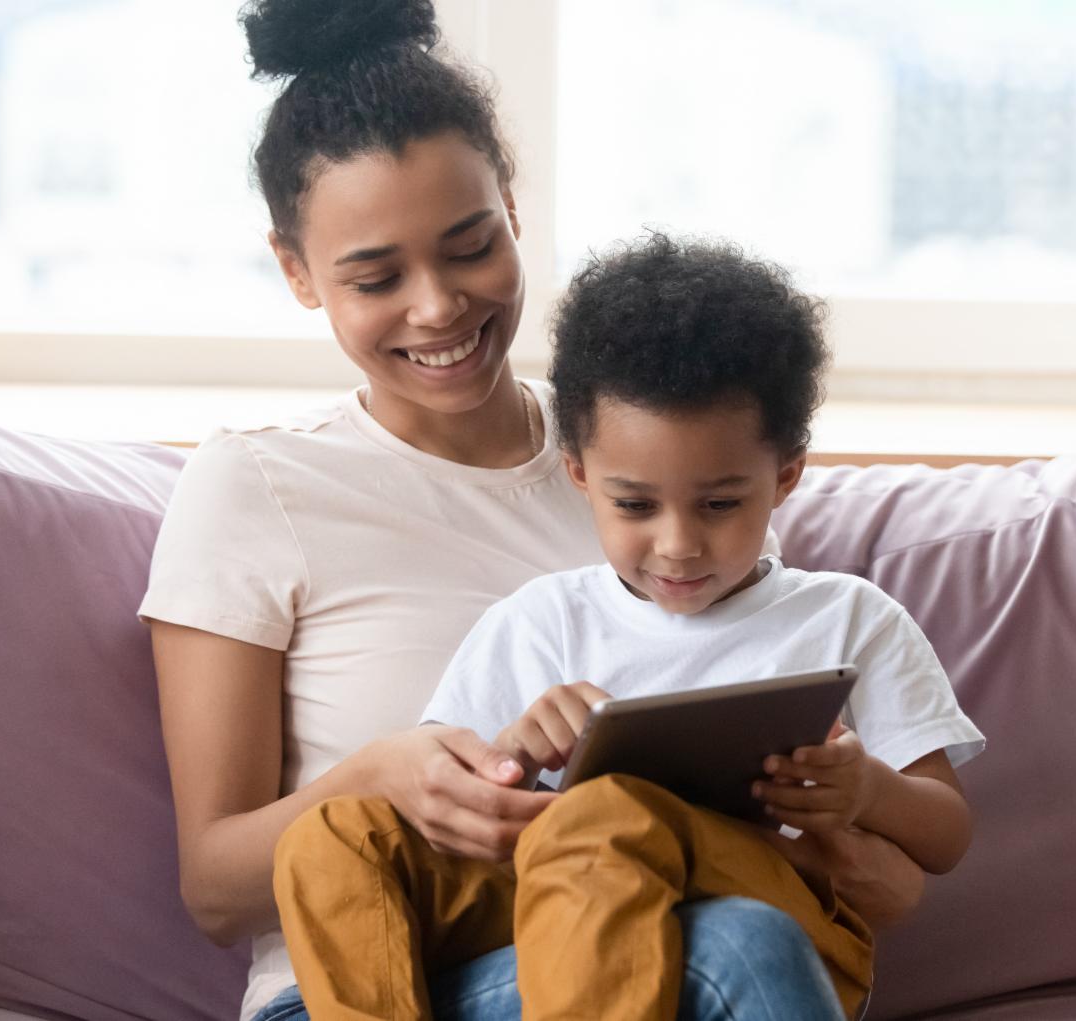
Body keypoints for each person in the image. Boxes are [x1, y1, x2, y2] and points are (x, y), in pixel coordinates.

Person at [140, 2, 930, 1019]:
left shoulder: (653, 453)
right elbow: (213, 889)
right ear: (296, 270)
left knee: (733, 932)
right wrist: (387, 772)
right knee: (735, 944)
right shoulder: (254, 486)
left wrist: (862, 859)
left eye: (470, 246)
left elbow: (815, 821)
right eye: (376, 276)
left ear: (513, 210)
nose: (438, 306)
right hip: (373, 978)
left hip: (660, 926)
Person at [270, 234, 986, 1020]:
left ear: (785, 475)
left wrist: (867, 788)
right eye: (636, 505)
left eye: (720, 504)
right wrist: (513, 753)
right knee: (332, 836)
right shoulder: (540, 619)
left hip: (774, 895)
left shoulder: (848, 617)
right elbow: (449, 810)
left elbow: (946, 834)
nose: (677, 544)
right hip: (550, 895)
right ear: (580, 475)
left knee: (607, 813)